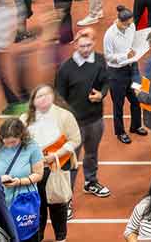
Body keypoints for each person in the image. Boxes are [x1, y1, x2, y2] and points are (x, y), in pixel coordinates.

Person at [54, 29, 111, 199]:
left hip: (95, 120)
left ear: (93, 43)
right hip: (74, 124)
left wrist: (102, 94)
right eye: (82, 46)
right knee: (70, 160)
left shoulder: (100, 60)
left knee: (92, 154)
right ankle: (66, 197)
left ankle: (90, 182)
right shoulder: (66, 68)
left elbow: (106, 82)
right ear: (75, 46)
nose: (86, 49)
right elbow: (59, 98)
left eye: (89, 45)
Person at [20, 84, 80, 242]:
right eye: (39, 96)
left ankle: (61, 238)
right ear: (33, 101)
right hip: (34, 171)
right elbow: (20, 145)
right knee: (37, 208)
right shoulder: (24, 119)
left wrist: (56, 155)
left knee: (58, 206)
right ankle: (37, 238)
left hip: (57, 168)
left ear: (53, 96)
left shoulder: (65, 116)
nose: (44, 98)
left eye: (47, 94)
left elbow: (75, 139)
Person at [105, 6, 145, 144]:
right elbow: (108, 57)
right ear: (120, 22)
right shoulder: (109, 35)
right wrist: (124, 56)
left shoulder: (131, 26)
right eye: (127, 24)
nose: (129, 26)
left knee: (136, 99)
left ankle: (136, 126)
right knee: (118, 105)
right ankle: (120, 132)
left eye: (130, 24)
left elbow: (132, 41)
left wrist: (135, 50)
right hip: (117, 73)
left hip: (132, 67)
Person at [0, 117, 44, 208]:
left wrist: (19, 182)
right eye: (6, 142)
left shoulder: (32, 147)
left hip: (23, 201)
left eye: (13, 142)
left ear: (21, 136)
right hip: (0, 201)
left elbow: (38, 174)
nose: (9, 146)